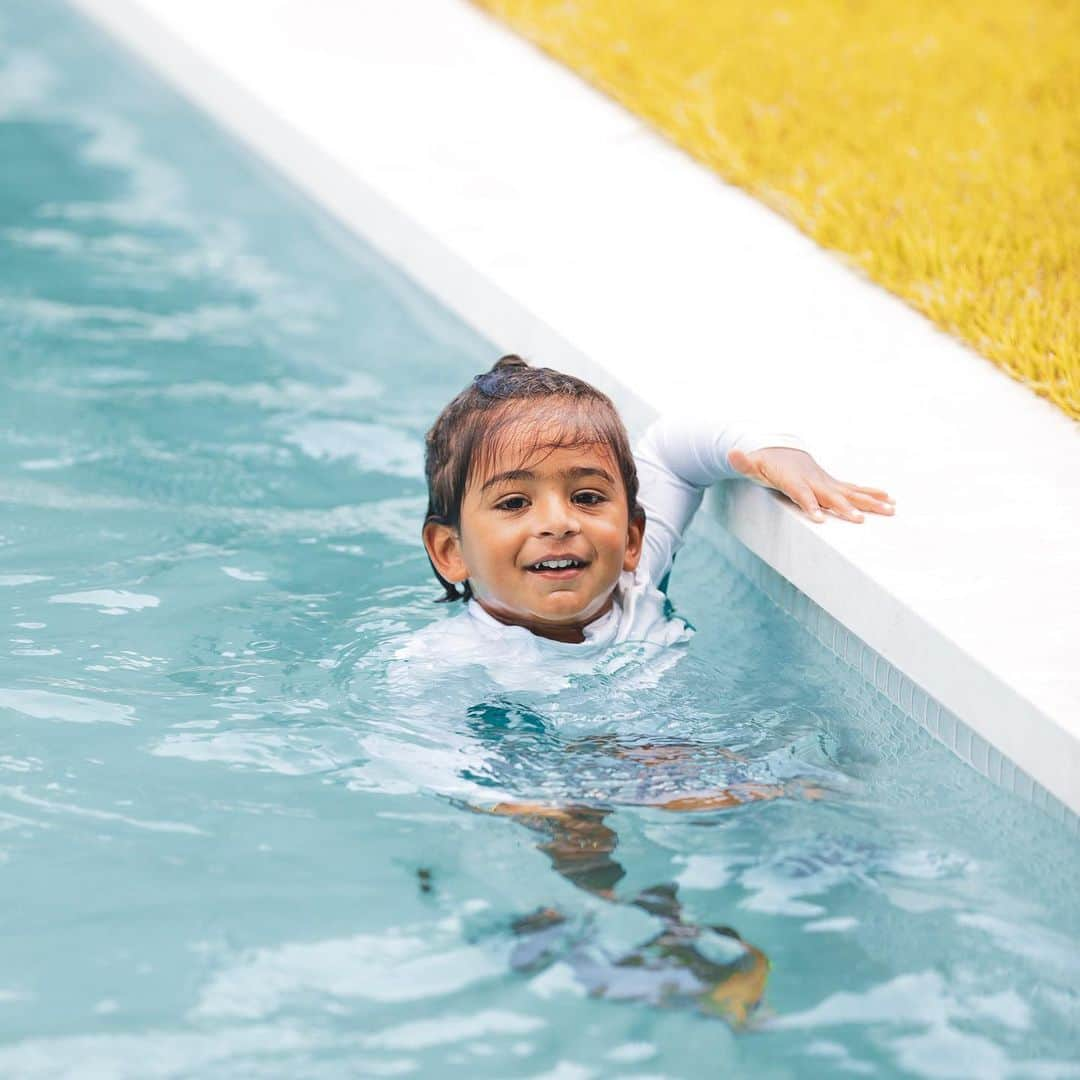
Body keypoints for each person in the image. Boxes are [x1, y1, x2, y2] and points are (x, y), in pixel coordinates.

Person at [405, 353, 893, 1023]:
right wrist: (529, 803)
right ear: (450, 552)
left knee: (811, 776)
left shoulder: (635, 580)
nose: (560, 522)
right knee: (576, 831)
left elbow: (675, 445)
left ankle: (685, 935)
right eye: (515, 502)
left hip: (651, 755)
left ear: (632, 535)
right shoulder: (446, 659)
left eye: (587, 497)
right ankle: (593, 935)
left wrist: (776, 455)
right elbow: (412, 743)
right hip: (534, 773)